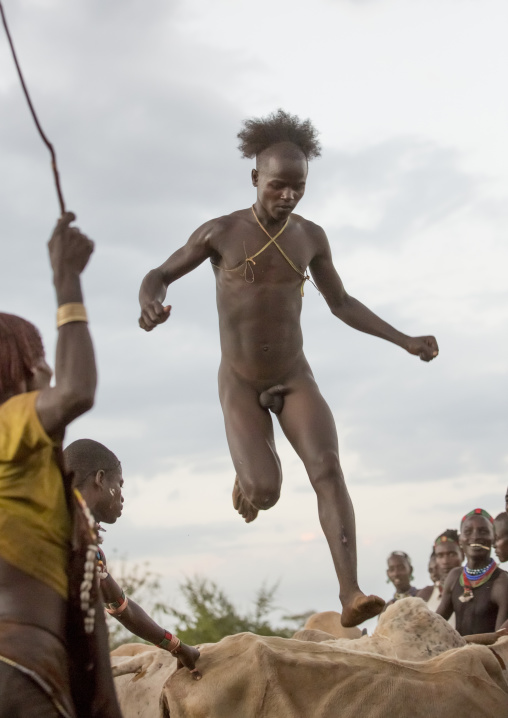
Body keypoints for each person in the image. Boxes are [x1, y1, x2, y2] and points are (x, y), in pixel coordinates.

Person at [138, 109, 439, 627]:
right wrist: (149, 301)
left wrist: (404, 340)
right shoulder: (221, 232)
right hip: (240, 377)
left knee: (328, 468)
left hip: (295, 376)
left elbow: (341, 303)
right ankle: (248, 475)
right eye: (277, 185)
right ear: (255, 178)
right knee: (265, 493)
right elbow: (159, 274)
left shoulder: (310, 238)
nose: (288, 196)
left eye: (298, 187)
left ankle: (350, 593)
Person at [0, 214, 122, 717]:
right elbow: (76, 390)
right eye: (40, 359)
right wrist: (67, 281)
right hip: (20, 670)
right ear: (21, 369)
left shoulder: (43, 485)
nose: (49, 369)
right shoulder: (8, 424)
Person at [63, 438, 201, 679]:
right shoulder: (62, 533)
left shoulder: (88, 547)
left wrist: (178, 648)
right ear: (100, 479)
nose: (122, 497)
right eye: (120, 484)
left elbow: (124, 610)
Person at [436, 509, 508, 635]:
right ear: (460, 540)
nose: (475, 537)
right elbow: (435, 625)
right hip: (457, 654)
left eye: (483, 531)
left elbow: (500, 641)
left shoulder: (502, 582)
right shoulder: (454, 577)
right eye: (468, 532)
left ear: (493, 538)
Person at [417, 529, 462, 626]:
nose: (445, 561)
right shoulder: (426, 594)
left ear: (462, 555)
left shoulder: (474, 589)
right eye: (440, 555)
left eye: (451, 554)